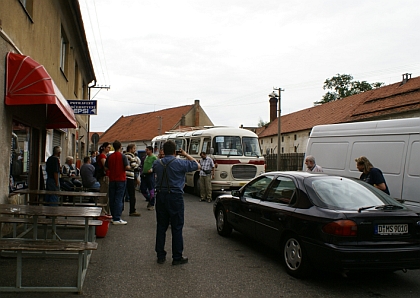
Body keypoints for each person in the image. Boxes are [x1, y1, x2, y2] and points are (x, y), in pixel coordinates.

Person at [152, 141, 200, 265]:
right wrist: (185, 154)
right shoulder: (179, 163)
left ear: (163, 151)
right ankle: (177, 256)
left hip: (161, 196)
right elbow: (196, 165)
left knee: (161, 226)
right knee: (177, 227)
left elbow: (155, 168)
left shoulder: (157, 163)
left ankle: (160, 255)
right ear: (175, 152)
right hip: (175, 196)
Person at [105, 140, 131, 225]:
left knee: (112, 198)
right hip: (121, 179)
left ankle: (113, 216)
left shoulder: (109, 156)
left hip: (112, 179)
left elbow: (106, 168)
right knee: (119, 198)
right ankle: (117, 217)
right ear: (120, 147)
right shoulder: (123, 156)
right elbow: (127, 167)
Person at [124, 144, 141, 216]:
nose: (135, 150)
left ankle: (120, 209)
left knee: (123, 193)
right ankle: (132, 210)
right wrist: (138, 166)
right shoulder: (131, 156)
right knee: (132, 194)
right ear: (130, 149)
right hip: (130, 176)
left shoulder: (124, 155)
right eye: (134, 148)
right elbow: (134, 165)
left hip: (124, 176)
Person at [141, 146, 157, 211]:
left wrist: (152, 169)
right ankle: (149, 198)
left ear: (150, 150)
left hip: (150, 175)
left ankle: (152, 203)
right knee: (142, 189)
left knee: (151, 190)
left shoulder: (154, 157)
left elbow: (156, 165)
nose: (146, 151)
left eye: (147, 150)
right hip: (144, 175)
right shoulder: (146, 157)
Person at [97, 142, 111, 214]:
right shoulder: (102, 156)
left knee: (106, 194)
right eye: (108, 147)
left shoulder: (106, 156)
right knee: (104, 194)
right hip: (104, 177)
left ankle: (105, 210)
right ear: (104, 148)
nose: (109, 149)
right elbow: (105, 167)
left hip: (107, 176)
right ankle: (102, 210)